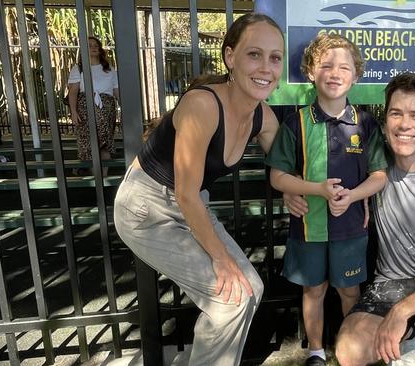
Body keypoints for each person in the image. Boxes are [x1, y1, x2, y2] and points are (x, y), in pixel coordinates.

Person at [285, 72, 415, 366]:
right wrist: (292, 189)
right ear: (385, 123)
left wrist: (402, 311)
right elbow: (317, 174)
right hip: (390, 281)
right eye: (396, 113)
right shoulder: (369, 164)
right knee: (349, 351)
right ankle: (408, 334)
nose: (405, 124)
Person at [113, 13, 284, 366]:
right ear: (230, 57)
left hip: (188, 204)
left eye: (275, 57)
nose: (266, 67)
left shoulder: (264, 118)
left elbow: (286, 167)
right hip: (145, 208)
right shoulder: (202, 105)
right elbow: (185, 193)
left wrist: (304, 191)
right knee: (230, 300)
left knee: (251, 289)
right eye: (254, 54)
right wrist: (221, 260)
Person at [266, 33, 388, 366]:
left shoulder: (366, 124)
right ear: (310, 72)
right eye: (326, 65)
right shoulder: (295, 123)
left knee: (350, 292)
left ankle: (353, 349)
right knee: (314, 290)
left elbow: (379, 176)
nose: (335, 73)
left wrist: (352, 196)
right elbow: (277, 176)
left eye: (344, 67)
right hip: (308, 228)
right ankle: (316, 351)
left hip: (351, 229)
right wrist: (317, 189)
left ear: (356, 75)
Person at [67, 36, 119, 175]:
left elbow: (116, 90)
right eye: (90, 45)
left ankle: (104, 175)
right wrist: (73, 112)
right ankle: (94, 175)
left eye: (96, 45)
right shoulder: (78, 68)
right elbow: (73, 92)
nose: (94, 47)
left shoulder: (109, 69)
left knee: (105, 144)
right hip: (86, 107)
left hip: (106, 107)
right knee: (90, 143)